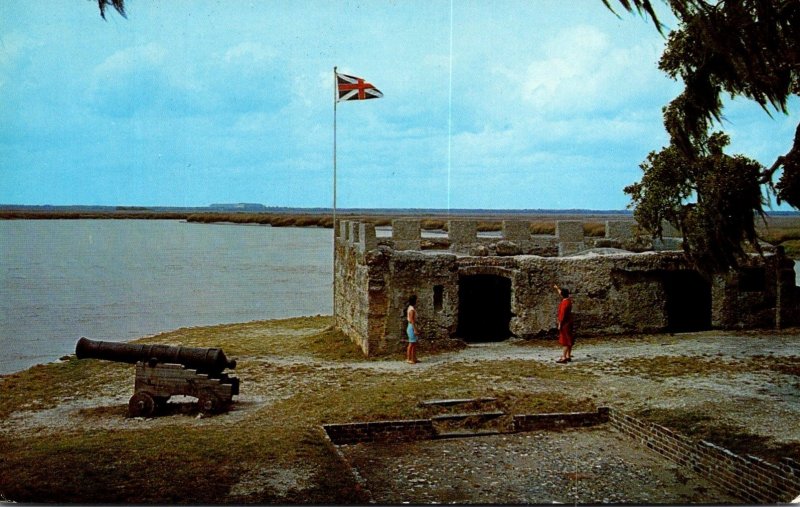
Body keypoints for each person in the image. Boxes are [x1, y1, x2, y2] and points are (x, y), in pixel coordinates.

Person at [553, 284, 574, 363]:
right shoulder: (568, 301)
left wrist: (559, 324)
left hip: (565, 324)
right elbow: (561, 292)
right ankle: (568, 355)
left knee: (565, 341)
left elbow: (562, 315)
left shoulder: (564, 304)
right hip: (569, 322)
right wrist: (557, 288)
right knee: (569, 339)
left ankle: (564, 357)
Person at [405, 295, 420, 364]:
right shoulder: (411, 310)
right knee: (411, 343)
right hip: (411, 327)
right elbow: (412, 320)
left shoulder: (411, 308)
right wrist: (415, 329)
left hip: (412, 326)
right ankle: (409, 358)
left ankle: (413, 358)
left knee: (414, 343)